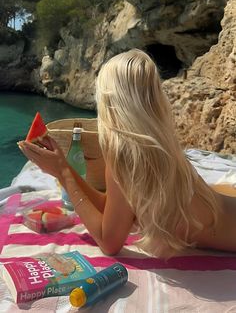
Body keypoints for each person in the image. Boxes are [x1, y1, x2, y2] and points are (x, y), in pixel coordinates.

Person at [18, 49, 236, 258]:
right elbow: (112, 209)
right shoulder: (153, 149)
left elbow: (109, 242)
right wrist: (62, 170)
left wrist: (63, 172)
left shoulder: (125, 156)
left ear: (109, 102)